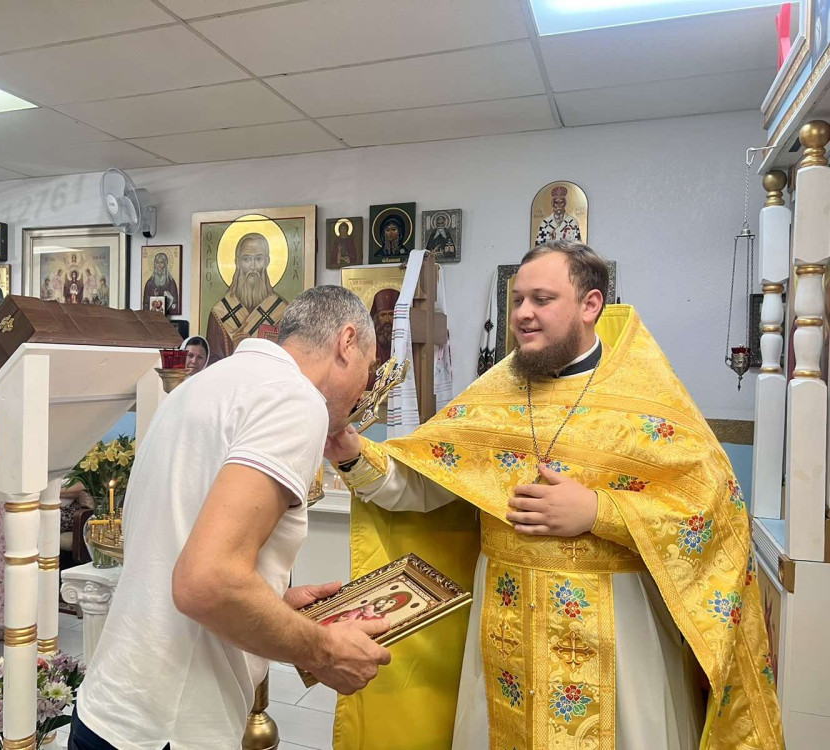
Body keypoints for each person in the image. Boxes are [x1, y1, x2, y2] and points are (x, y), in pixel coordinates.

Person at [326, 241, 785, 750]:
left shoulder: (645, 395)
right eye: (517, 300)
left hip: (618, 635)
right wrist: (352, 453)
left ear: (590, 304)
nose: (523, 313)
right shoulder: (494, 392)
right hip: (505, 626)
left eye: (541, 299)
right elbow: (428, 480)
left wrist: (600, 511)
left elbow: (709, 510)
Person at [73, 286, 390, 750]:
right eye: (369, 368)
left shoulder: (202, 386)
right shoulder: (294, 399)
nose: (365, 389)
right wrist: (325, 652)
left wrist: (274, 603)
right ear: (347, 342)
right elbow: (205, 582)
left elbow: (181, 548)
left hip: (109, 708)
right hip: (174, 727)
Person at [205, 233, 288, 362]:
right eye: (246, 259)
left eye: (258, 259)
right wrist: (235, 351)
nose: (252, 266)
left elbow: (288, 357)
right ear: (237, 262)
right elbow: (212, 361)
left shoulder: (282, 310)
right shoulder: (220, 312)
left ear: (267, 262)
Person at [367, 287, 399, 389]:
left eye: (391, 314)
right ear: (376, 317)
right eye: (383, 315)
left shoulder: (405, 344)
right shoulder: (368, 345)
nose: (387, 320)